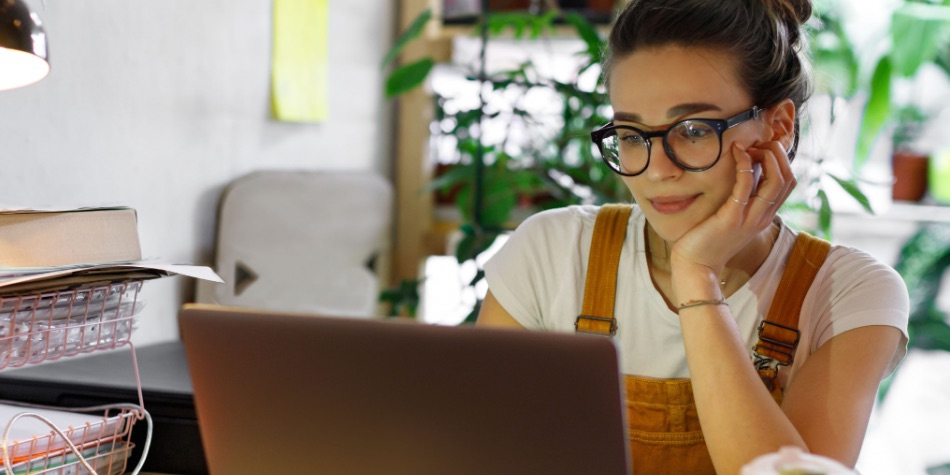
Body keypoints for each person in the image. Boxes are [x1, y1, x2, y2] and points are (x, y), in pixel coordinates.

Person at [475, 0, 909, 474]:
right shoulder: (553, 252)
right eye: (632, 134)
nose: (657, 170)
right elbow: (473, 450)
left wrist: (696, 274)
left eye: (694, 129)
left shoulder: (848, 293)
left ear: (778, 127)